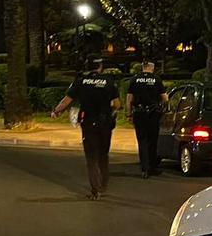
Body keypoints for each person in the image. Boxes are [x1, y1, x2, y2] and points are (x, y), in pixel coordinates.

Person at [51, 58, 119, 200]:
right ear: (100, 67)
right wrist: (109, 111)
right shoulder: (108, 81)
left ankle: (95, 190)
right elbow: (117, 104)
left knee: (91, 157)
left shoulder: (80, 82)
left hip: (88, 122)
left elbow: (66, 101)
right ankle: (104, 184)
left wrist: (56, 111)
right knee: (103, 154)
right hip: (105, 123)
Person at [126, 61, 168, 178]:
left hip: (139, 113)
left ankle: (144, 169)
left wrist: (129, 114)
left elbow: (129, 99)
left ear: (143, 68)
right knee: (152, 141)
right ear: (152, 68)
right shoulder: (157, 80)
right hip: (153, 114)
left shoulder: (134, 80)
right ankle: (152, 167)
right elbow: (165, 98)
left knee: (142, 141)